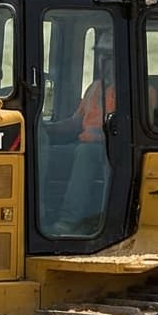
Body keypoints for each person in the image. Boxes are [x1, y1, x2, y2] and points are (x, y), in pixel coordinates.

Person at [49, 31, 116, 235]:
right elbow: (75, 122)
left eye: (109, 56)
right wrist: (41, 129)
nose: (103, 61)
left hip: (112, 150)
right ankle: (42, 216)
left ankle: (71, 220)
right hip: (85, 145)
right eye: (101, 55)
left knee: (86, 154)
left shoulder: (139, 91)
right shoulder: (94, 88)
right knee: (45, 151)